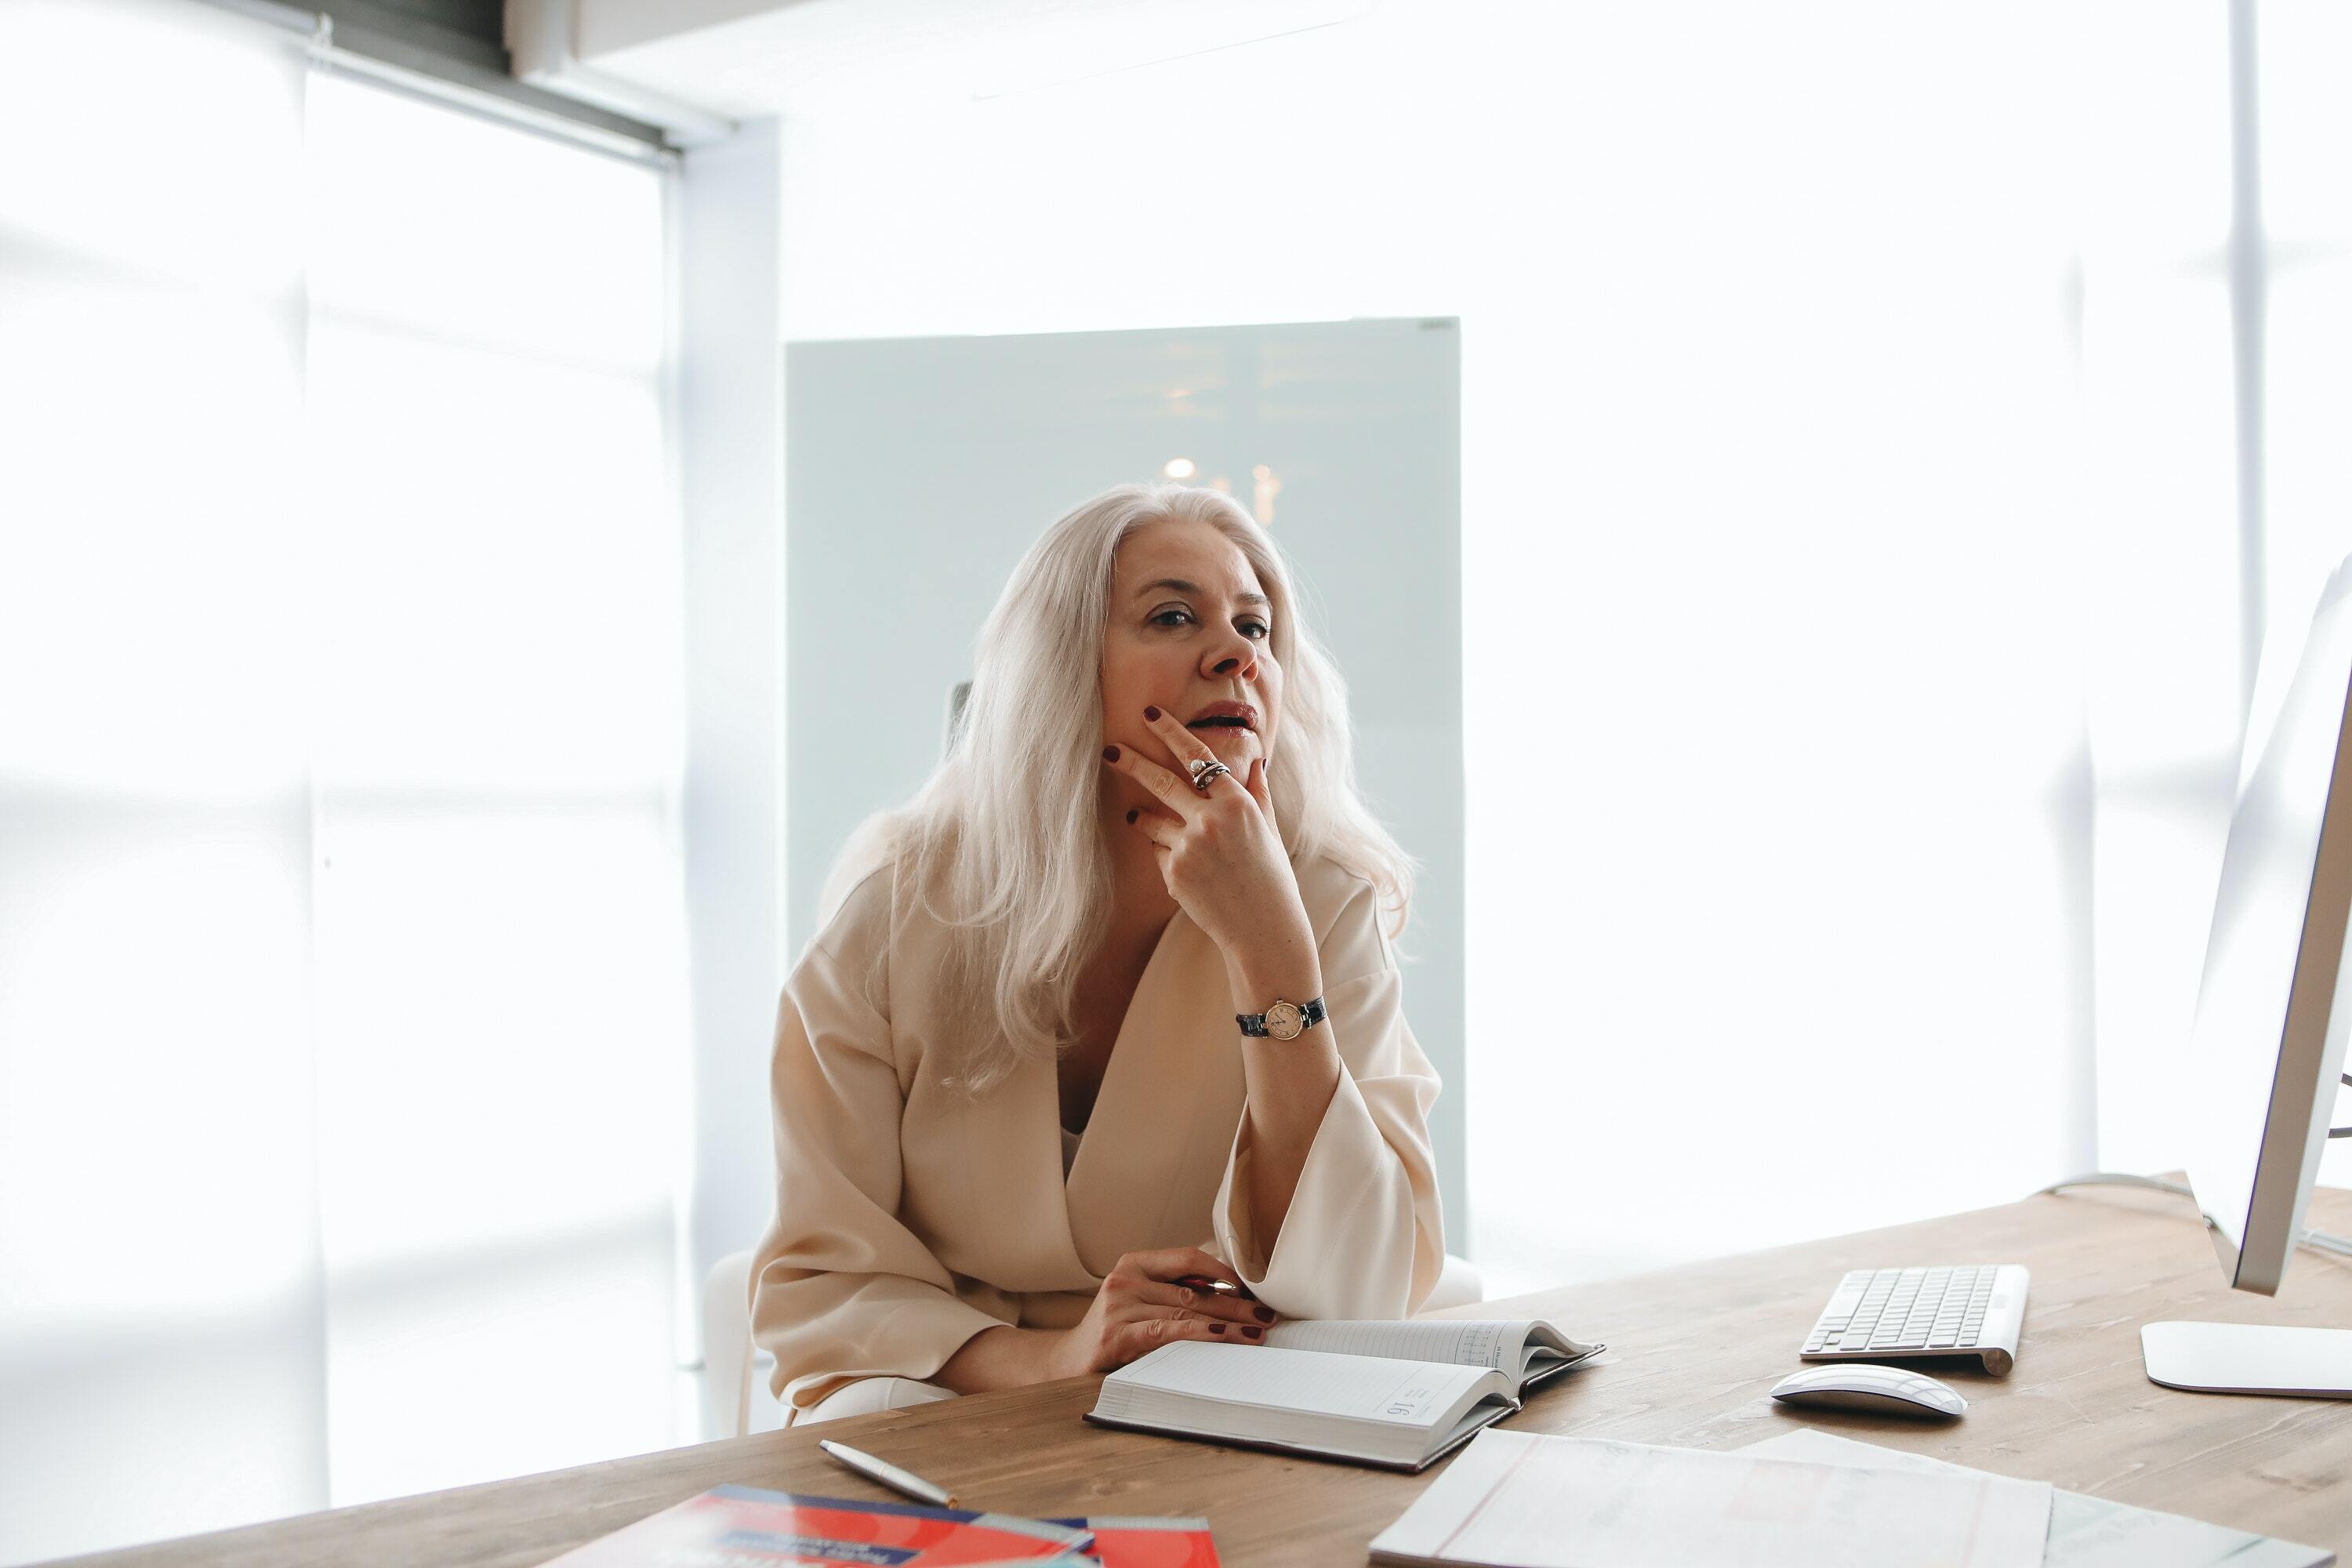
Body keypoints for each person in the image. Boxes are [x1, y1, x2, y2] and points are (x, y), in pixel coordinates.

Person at [750, 481, 1443, 1425]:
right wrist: (1063, 1356)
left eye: (1257, 625)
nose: (1238, 652)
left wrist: (1270, 954)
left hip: (1227, 1415)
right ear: (1060, 665)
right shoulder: (897, 914)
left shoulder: (1321, 904)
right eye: (1172, 614)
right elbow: (824, 1282)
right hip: (951, 1408)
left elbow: (1363, 1282)